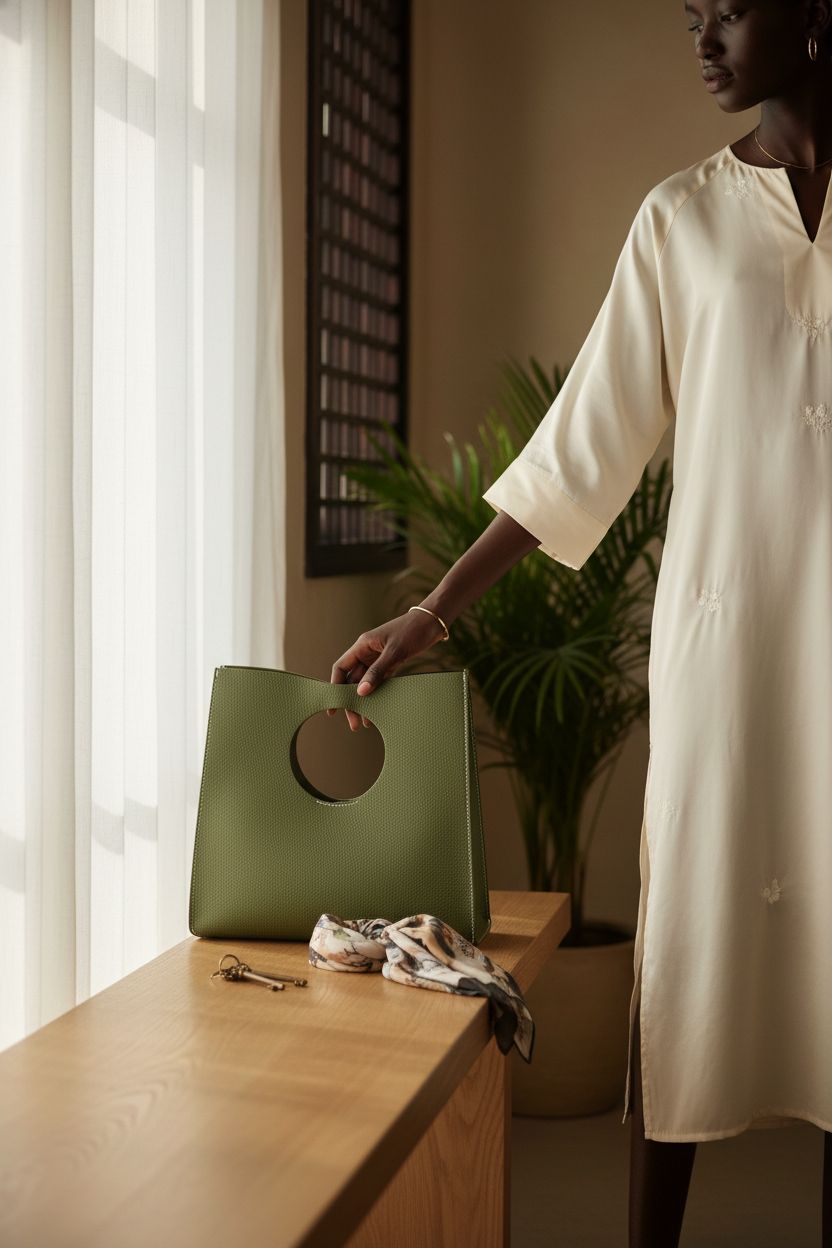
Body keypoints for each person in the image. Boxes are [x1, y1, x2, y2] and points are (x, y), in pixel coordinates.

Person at [329, 1, 832, 1243]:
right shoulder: (683, 217)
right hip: (730, 649)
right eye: (687, 16)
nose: (700, 36)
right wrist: (436, 613)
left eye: (724, 8)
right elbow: (583, 449)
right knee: (691, 962)